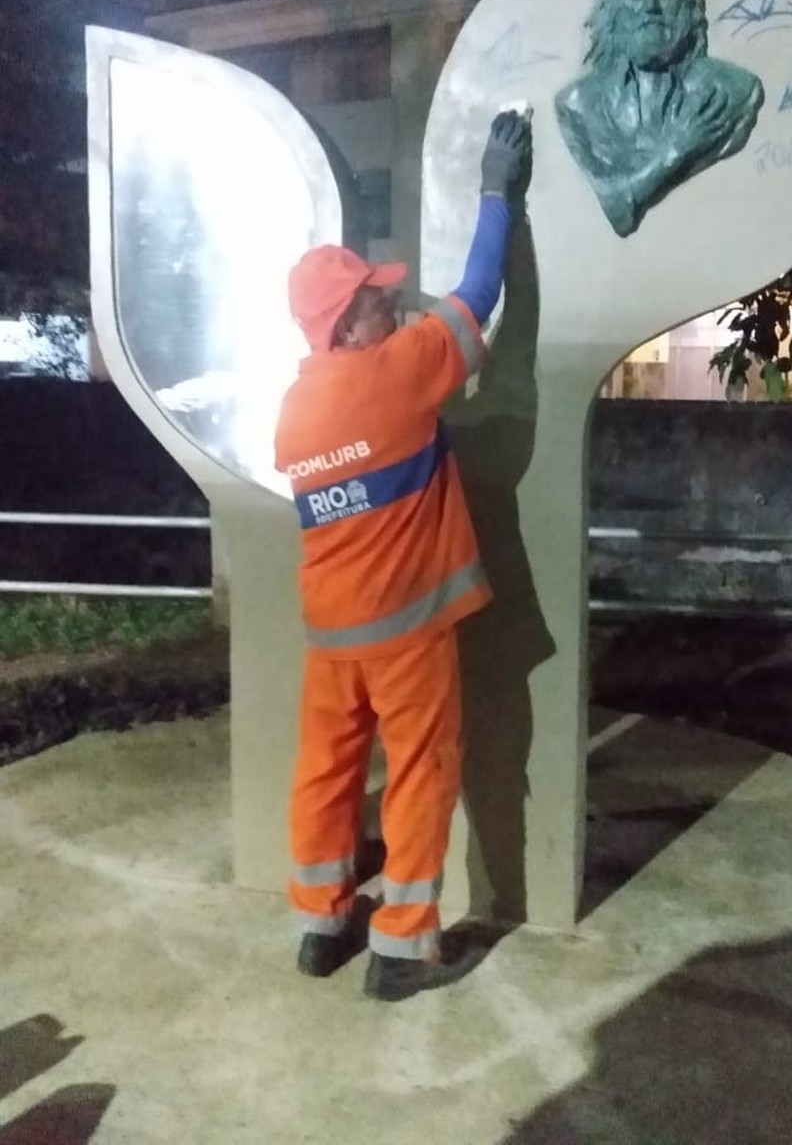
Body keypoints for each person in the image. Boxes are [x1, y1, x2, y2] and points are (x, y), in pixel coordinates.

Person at [274, 110, 532, 1002]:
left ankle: (318, 924)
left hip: (331, 631)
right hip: (407, 631)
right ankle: (398, 948)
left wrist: (403, 333)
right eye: (377, 297)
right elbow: (481, 288)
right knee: (422, 770)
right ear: (348, 321)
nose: (392, 299)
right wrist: (499, 190)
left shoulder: (297, 408)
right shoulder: (398, 369)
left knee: (327, 768)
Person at [555, 0, 764, 237]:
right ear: (617, 9)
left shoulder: (734, 92)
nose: (650, 6)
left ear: (689, 7)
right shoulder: (578, 105)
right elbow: (619, 212)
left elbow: (624, 198)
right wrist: (677, 149)